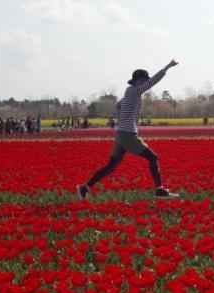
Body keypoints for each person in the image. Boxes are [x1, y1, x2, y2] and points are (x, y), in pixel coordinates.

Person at [77, 59, 180, 199]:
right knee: (153, 157)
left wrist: (122, 119)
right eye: (144, 80)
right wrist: (167, 67)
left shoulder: (130, 93)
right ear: (137, 81)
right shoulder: (133, 91)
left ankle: (85, 187)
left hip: (122, 134)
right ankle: (159, 190)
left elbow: (118, 105)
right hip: (128, 135)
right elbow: (151, 83)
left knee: (112, 166)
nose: (145, 83)